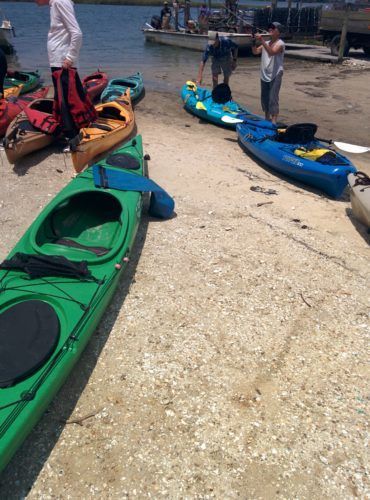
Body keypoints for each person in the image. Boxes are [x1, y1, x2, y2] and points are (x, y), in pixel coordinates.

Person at [35, 0, 85, 140]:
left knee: (67, 101)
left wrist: (70, 58)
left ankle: (73, 137)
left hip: (63, 62)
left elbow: (77, 33)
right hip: (59, 60)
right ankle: (67, 131)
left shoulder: (60, 2)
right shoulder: (56, 3)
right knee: (62, 98)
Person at [252, 21, 285, 124]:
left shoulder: (281, 44)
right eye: (269, 27)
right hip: (264, 74)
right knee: (265, 97)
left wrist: (261, 39)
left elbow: (272, 53)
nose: (270, 29)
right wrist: (253, 41)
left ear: (278, 32)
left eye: (273, 28)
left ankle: (274, 121)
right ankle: (266, 118)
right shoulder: (266, 43)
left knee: (273, 98)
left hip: (276, 74)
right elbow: (255, 52)